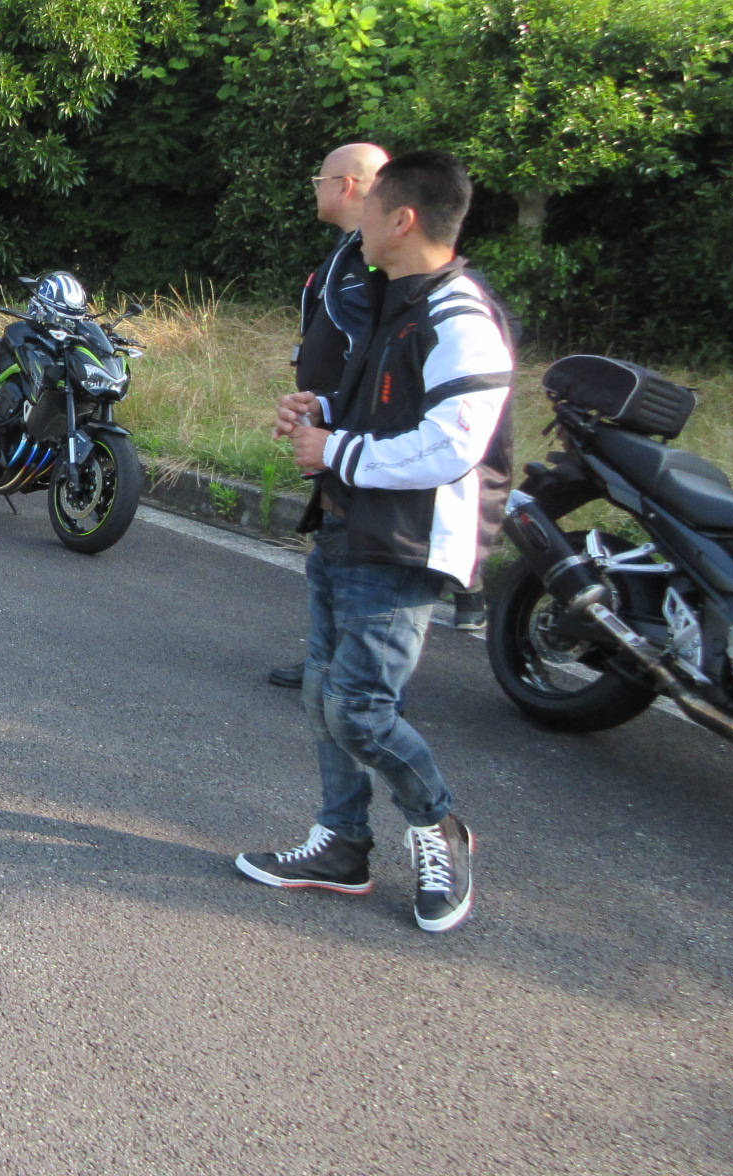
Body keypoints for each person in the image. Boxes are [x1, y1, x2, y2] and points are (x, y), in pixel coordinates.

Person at [236, 151, 514, 934]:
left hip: (404, 542)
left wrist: (337, 450)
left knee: (358, 709)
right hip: (347, 525)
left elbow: (453, 444)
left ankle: (439, 825)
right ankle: (342, 843)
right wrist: (321, 408)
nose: (356, 221)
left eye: (371, 208)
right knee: (324, 695)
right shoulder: (395, 299)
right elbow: (384, 403)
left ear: (402, 220)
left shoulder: (460, 317)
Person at [268, 142, 387, 687]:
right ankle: (329, 662)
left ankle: (347, 677)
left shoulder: (369, 260)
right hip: (331, 419)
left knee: (344, 544)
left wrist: (335, 408)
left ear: (347, 185)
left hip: (352, 431)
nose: (314, 189)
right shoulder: (351, 250)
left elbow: (371, 351)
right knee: (329, 545)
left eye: (320, 180)